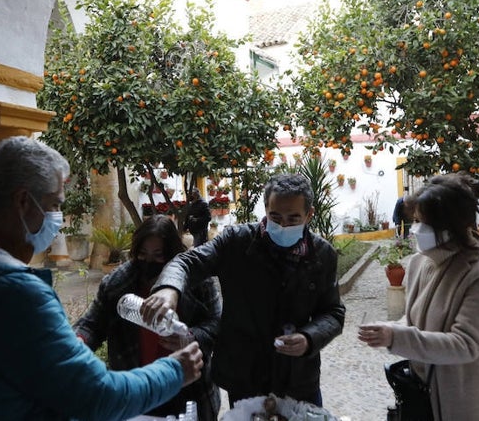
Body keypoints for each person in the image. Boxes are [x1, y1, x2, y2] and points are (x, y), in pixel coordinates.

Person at [0, 136, 202, 420]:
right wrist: (174, 371)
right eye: (54, 205)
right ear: (23, 202)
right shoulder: (14, 294)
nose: (57, 218)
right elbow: (96, 396)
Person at [142, 172, 346, 407]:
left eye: (293, 219)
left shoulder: (322, 255)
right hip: (245, 376)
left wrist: (309, 338)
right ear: (265, 209)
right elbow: (187, 262)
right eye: (275, 216)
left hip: (298, 377)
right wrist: (169, 288)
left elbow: (333, 313)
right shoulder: (236, 242)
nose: (282, 225)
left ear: (309, 215)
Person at [358, 175, 479, 420]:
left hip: (473, 404)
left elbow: (464, 345)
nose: (415, 229)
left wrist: (396, 337)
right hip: (427, 400)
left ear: (449, 227)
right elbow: (415, 321)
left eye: (422, 222)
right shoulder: (421, 262)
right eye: (415, 221)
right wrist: (390, 329)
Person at [75, 215, 222, 420]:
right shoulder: (118, 284)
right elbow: (91, 325)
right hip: (139, 387)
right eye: (143, 254)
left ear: (173, 254)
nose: (149, 262)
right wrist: (76, 343)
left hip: (189, 389)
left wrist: (190, 337)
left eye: (158, 255)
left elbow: (217, 325)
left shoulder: (199, 283)